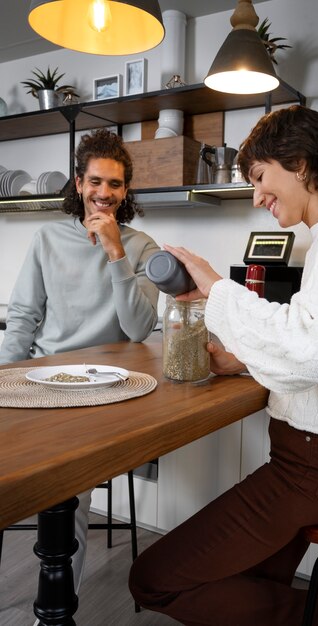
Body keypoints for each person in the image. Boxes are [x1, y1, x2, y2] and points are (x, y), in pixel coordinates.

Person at [128, 106, 318, 626]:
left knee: (152, 579)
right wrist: (246, 360)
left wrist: (214, 285)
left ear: (298, 163)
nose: (256, 196)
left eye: (259, 177)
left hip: (316, 467)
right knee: (246, 580)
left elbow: (312, 348)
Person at [0, 128, 160, 611]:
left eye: (114, 184)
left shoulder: (142, 246)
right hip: (40, 384)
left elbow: (138, 330)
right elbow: (24, 316)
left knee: (69, 495)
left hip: (107, 392)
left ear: (126, 190)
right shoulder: (47, 237)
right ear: (78, 182)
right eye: (96, 182)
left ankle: (56, 612)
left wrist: (115, 252)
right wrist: (5, 383)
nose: (104, 193)